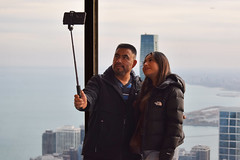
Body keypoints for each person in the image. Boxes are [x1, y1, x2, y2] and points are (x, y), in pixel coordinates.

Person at [74, 43, 142, 160]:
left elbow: (152, 107)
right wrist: (84, 103)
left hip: (130, 153)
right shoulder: (99, 81)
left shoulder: (140, 86)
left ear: (134, 63)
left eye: (125, 57)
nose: (119, 60)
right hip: (99, 153)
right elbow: (90, 94)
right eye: (116, 56)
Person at [130, 51, 185, 160]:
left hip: (160, 152)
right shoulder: (146, 90)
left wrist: (166, 155)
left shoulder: (173, 90)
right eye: (144, 62)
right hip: (143, 150)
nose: (145, 64)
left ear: (162, 63)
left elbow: (174, 127)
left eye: (151, 60)